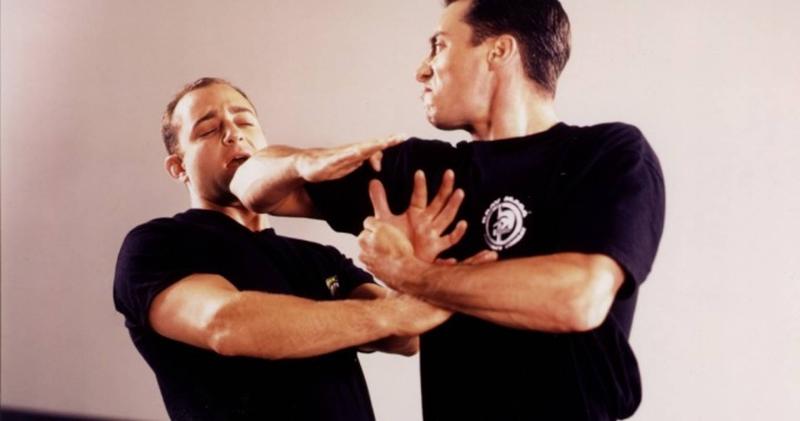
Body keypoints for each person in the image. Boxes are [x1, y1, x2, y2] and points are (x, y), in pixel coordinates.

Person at [231, 0, 665, 419]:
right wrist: (303, 163)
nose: (422, 70)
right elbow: (252, 186)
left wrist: (409, 274)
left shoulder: (605, 153)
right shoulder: (423, 173)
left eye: (439, 46)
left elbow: (577, 298)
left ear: (499, 51)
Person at [112, 77, 465, 420]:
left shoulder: (319, 258)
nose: (233, 133)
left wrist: (414, 266)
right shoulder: (156, 244)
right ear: (178, 167)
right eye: (207, 130)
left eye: (244, 121)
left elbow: (406, 339)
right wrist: (393, 313)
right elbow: (227, 325)